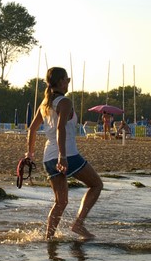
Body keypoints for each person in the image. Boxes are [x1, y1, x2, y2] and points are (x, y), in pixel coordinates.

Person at [26, 67, 104, 240]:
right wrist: (62, 155)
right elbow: (60, 128)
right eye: (67, 80)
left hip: (48, 157)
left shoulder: (44, 104)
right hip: (67, 154)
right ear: (61, 81)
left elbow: (32, 129)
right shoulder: (65, 102)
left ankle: (49, 238)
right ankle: (78, 223)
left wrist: (30, 154)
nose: (68, 83)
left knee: (60, 202)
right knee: (96, 185)